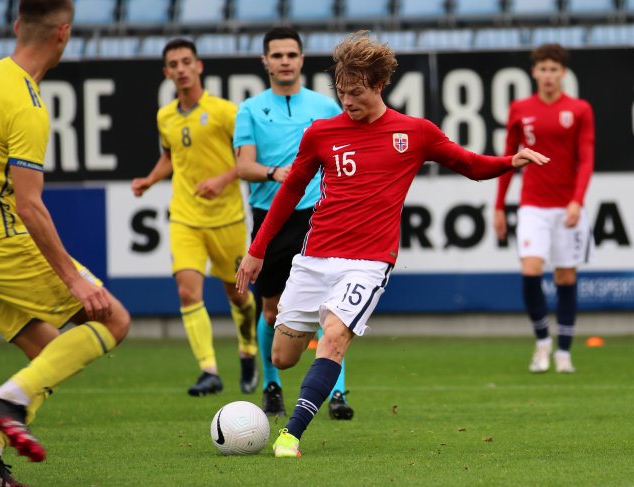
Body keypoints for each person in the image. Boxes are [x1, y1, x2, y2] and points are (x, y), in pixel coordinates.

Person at [235, 31, 550, 458]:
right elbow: (290, 193)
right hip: (313, 259)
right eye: (342, 92)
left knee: (334, 338)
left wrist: (509, 161)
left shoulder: (414, 133)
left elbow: (470, 165)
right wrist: (257, 250)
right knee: (284, 354)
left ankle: (290, 435)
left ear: (379, 85)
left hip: (367, 262)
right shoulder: (321, 134)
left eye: (357, 92)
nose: (347, 101)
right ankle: (282, 385)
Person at [0, 1, 131, 484]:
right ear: (63, 34)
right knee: (112, 318)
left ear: (15, 26)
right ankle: (0, 404)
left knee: (48, 353)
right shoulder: (27, 105)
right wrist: (73, 279)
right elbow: (29, 205)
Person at [234, 27, 353, 419]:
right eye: (277, 54)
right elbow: (243, 165)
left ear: (301, 60)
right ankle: (272, 384)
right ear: (265, 61)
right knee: (272, 310)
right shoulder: (250, 109)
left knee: (328, 309)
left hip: (318, 216)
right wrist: (275, 173)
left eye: (291, 54)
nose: (285, 60)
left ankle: (337, 393)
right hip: (271, 216)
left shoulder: (325, 107)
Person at [131, 38, 258, 397]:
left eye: (187, 61)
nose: (181, 69)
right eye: (174, 64)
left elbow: (247, 159)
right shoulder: (165, 115)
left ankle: (248, 353)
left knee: (238, 296)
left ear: (199, 66)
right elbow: (170, 156)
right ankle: (209, 370)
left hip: (227, 218)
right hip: (185, 217)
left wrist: (223, 179)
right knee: (187, 291)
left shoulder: (225, 111)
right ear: (167, 72)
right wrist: (150, 179)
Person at [493, 43, 595, 375]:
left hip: (566, 206)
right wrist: (498, 206)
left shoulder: (579, 109)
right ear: (534, 72)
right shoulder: (520, 108)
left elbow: (586, 159)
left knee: (566, 275)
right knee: (530, 270)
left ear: (563, 73)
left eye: (554, 70)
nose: (548, 75)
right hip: (532, 205)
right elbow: (509, 158)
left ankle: (564, 352)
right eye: (543, 69)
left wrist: (577, 200)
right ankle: (542, 345)